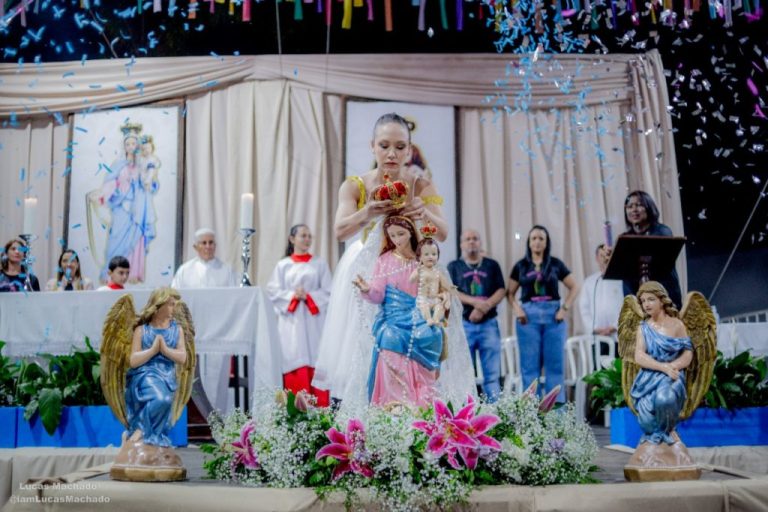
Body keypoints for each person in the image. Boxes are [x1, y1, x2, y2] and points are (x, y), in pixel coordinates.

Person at [313, 112, 476, 409]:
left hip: (411, 275)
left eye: (400, 147)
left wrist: (422, 212)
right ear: (372, 146)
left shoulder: (420, 185)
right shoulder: (355, 186)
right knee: (361, 350)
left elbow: (443, 233)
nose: (392, 153)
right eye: (384, 145)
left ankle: (412, 413)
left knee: (416, 353)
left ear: (410, 149)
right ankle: (361, 418)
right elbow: (339, 231)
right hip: (369, 271)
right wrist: (370, 212)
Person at [352, 216, 447, 409]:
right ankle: (395, 404)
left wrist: (442, 297)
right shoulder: (385, 260)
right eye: (392, 235)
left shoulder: (423, 260)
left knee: (433, 334)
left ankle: (424, 402)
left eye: (401, 234)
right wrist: (366, 289)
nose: (397, 239)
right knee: (389, 337)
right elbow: (378, 295)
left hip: (421, 315)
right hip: (394, 319)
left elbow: (436, 287)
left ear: (412, 232)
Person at [507, 225, 578, 402]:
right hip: (528, 319)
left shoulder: (555, 264)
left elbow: (574, 287)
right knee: (530, 368)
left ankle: (557, 417)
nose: (537, 242)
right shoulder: (521, 266)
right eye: (534, 239)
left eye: (541, 239)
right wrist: (518, 310)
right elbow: (509, 293)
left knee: (555, 367)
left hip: (553, 318)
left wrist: (564, 309)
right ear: (529, 243)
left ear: (546, 243)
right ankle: (532, 415)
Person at [266, 224, 332, 407]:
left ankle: (321, 412)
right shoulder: (283, 265)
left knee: (316, 358)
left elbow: (329, 291)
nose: (307, 239)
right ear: (292, 239)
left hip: (314, 322)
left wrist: (309, 297)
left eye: (309, 236)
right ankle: (295, 412)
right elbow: (272, 291)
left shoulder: (319, 264)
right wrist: (293, 296)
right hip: (291, 323)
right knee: (293, 357)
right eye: (303, 235)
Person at [90, 123, 158, 284]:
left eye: (134, 143)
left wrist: (150, 182)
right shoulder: (119, 165)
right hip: (121, 207)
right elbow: (110, 183)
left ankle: (133, 272)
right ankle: (111, 274)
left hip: (138, 209)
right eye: (128, 143)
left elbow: (150, 184)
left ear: (138, 145)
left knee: (136, 239)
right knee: (116, 239)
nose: (131, 146)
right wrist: (103, 196)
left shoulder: (142, 164)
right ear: (124, 146)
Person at [447, 229, 506, 402]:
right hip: (464, 325)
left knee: (492, 376)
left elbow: (501, 290)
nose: (471, 242)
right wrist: (475, 303)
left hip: (489, 325)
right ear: (461, 244)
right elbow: (451, 291)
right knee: (464, 373)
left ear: (480, 243)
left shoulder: (492, 265)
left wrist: (484, 307)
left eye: (475, 238)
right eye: (468, 239)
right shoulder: (454, 267)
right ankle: (467, 415)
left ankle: (495, 417)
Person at [630, 281, 692, 444]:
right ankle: (656, 437)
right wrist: (662, 367)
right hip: (649, 377)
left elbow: (688, 354)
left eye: (651, 299)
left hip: (672, 375)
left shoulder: (677, 325)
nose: (646, 305)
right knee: (647, 422)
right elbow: (639, 356)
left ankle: (668, 431)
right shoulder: (643, 328)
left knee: (665, 399)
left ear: (662, 300)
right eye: (643, 301)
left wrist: (674, 366)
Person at [126, 287, 187, 446]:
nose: (174, 308)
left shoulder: (176, 330)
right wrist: (153, 350)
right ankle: (141, 427)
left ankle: (153, 435)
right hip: (145, 375)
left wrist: (165, 350)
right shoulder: (142, 330)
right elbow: (133, 360)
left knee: (165, 400)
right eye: (171, 304)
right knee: (162, 399)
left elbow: (182, 357)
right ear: (159, 305)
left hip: (167, 376)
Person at [622, 190, 683, 308]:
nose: (634, 209)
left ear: (649, 207)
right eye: (629, 206)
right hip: (636, 303)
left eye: (639, 205)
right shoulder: (625, 238)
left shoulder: (662, 231)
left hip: (664, 300)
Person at [577, 244, 623, 337]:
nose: (605, 259)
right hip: (597, 335)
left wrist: (615, 326)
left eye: (608, 256)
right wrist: (594, 328)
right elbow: (584, 308)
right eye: (602, 256)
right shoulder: (589, 282)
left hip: (618, 334)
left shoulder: (621, 280)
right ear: (597, 258)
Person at [171, 228, 239, 289]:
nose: (208, 246)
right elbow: (175, 294)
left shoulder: (227, 270)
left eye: (211, 242)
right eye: (204, 243)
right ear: (195, 247)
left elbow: (234, 294)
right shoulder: (184, 270)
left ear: (215, 245)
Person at [410, 237, 453, 327]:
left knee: (440, 307)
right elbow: (411, 280)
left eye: (434, 254)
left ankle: (436, 320)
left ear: (438, 256)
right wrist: (416, 272)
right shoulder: (420, 270)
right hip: (423, 299)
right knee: (424, 307)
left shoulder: (438, 273)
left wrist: (446, 295)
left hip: (435, 299)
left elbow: (447, 287)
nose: (430, 257)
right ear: (420, 257)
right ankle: (429, 319)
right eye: (426, 254)